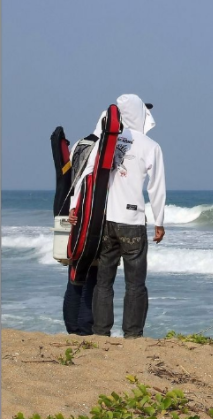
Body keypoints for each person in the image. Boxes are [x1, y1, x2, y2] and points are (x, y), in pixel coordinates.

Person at [69, 94, 166, 338]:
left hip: (105, 221)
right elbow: (157, 187)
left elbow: (85, 174)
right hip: (132, 222)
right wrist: (159, 222)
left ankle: (101, 334)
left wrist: (75, 206)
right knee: (135, 284)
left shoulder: (105, 140)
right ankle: (132, 335)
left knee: (104, 281)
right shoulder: (150, 146)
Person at [62, 111, 105, 335]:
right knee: (93, 273)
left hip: (75, 213)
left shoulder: (79, 143)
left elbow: (71, 179)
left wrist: (69, 207)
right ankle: (84, 327)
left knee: (75, 271)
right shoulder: (105, 149)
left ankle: (72, 325)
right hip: (90, 212)